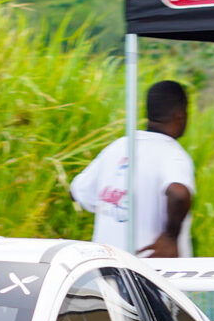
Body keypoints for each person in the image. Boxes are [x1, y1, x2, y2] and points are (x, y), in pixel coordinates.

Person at [71, 80, 194, 258]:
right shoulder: (172, 153)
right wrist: (170, 237)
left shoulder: (118, 147)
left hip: (106, 270)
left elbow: (77, 191)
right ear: (180, 116)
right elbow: (179, 193)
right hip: (152, 274)